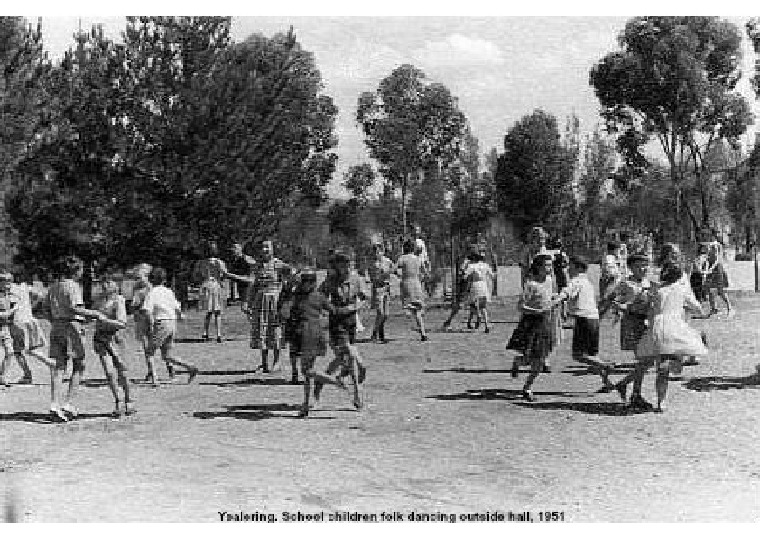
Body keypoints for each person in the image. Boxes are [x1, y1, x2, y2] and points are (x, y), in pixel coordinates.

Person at [635, 262, 708, 412]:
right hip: (674, 325)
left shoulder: (657, 290)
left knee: (661, 369)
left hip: (657, 325)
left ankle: (661, 402)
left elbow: (651, 310)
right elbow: (699, 310)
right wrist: (687, 307)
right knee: (678, 360)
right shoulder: (682, 290)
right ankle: (672, 365)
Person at [43, 256, 105, 422]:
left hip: (56, 327)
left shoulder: (54, 286)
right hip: (71, 327)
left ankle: (54, 403)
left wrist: (56, 320)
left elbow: (45, 310)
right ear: (76, 271)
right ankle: (68, 403)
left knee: (59, 367)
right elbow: (75, 308)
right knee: (79, 365)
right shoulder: (73, 286)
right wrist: (96, 314)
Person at [314, 250, 368, 410]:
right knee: (351, 356)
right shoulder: (330, 281)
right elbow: (319, 297)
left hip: (351, 321)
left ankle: (320, 382)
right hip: (337, 322)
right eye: (343, 263)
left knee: (343, 359)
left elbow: (364, 297)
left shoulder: (356, 279)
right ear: (337, 265)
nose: (347, 266)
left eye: (349, 263)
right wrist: (330, 309)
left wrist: (356, 306)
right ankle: (358, 390)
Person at [284, 269, 341, 417]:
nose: (305, 284)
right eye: (304, 281)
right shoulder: (318, 296)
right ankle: (306, 405)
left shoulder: (297, 297)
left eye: (308, 281)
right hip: (315, 334)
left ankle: (334, 382)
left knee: (307, 371)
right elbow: (333, 310)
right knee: (307, 372)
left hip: (307, 335)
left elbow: (284, 313)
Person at [228, 240, 290, 373]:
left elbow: (290, 279)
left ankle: (277, 362)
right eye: (263, 247)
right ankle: (264, 363)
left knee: (275, 329)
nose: (265, 249)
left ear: (272, 249)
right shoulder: (257, 266)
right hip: (260, 300)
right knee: (262, 329)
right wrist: (246, 302)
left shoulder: (279, 264)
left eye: (267, 247)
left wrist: (285, 298)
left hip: (275, 300)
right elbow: (252, 284)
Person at [604, 253, 655, 409]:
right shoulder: (625, 283)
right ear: (631, 267)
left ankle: (626, 386)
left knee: (646, 360)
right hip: (632, 322)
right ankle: (635, 394)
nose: (643, 268)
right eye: (639, 265)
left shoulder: (649, 282)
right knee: (644, 359)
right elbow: (610, 298)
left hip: (647, 322)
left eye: (646, 265)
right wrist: (623, 307)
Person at [557, 256, 614, 391]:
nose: (567, 269)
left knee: (578, 355)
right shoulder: (588, 282)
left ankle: (606, 366)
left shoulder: (576, 281)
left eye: (570, 266)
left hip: (583, 320)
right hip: (594, 319)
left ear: (577, 267)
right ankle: (607, 383)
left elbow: (565, 294)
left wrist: (554, 300)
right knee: (592, 356)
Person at [507, 254, 559, 401]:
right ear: (538, 267)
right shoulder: (531, 285)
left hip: (546, 323)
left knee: (540, 360)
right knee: (535, 359)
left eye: (551, 265)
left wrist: (556, 299)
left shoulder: (550, 280)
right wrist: (536, 311)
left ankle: (527, 387)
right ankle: (519, 362)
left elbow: (550, 296)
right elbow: (520, 306)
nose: (550, 268)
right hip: (532, 324)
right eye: (546, 265)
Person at [141, 267, 198, 386]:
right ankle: (190, 367)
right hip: (172, 322)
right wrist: (180, 315)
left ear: (151, 280)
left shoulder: (152, 293)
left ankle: (154, 379)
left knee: (149, 352)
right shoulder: (168, 291)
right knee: (167, 355)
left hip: (161, 323)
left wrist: (150, 324)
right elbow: (177, 306)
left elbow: (147, 310)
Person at [93, 273, 133, 417]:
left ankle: (129, 399)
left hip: (116, 338)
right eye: (103, 282)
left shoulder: (119, 301)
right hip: (100, 339)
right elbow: (93, 316)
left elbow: (122, 323)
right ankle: (118, 401)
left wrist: (102, 319)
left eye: (108, 282)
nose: (105, 285)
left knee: (122, 370)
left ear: (116, 285)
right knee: (109, 372)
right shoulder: (98, 300)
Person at [7, 268, 52, 388]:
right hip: (29, 320)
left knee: (18, 351)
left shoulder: (10, 289)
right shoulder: (25, 286)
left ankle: (31, 373)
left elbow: (10, 306)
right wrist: (31, 306)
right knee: (29, 349)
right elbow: (41, 295)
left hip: (17, 321)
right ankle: (31, 373)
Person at [195, 241, 228, 343]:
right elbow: (224, 273)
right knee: (217, 312)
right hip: (216, 286)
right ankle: (218, 334)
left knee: (209, 312)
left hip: (206, 285)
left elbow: (197, 275)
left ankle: (205, 333)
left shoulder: (201, 263)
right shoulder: (219, 262)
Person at [396, 239, 428, 342]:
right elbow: (425, 272)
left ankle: (408, 311)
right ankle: (423, 333)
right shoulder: (417, 259)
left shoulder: (402, 258)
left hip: (407, 283)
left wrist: (399, 274)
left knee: (409, 305)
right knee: (418, 310)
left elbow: (395, 269)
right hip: (417, 283)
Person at [367, 242, 394, 343]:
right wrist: (379, 277)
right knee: (380, 313)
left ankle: (381, 333)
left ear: (383, 252)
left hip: (386, 288)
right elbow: (371, 277)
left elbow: (394, 269)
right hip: (378, 289)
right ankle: (374, 334)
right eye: (375, 252)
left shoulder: (388, 261)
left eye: (379, 252)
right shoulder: (372, 264)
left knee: (386, 314)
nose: (377, 254)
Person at [465, 249, 494, 333]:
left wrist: (464, 272)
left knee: (473, 304)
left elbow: (465, 275)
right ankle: (486, 325)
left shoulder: (472, 266)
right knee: (483, 306)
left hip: (475, 285)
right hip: (484, 285)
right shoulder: (486, 265)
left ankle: (478, 315)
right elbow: (492, 275)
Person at [0, 273, 22, 387]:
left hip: (5, 328)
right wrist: (13, 310)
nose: (8, 284)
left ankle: (2, 377)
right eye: (5, 281)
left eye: (10, 281)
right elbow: (3, 314)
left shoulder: (9, 296)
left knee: (10, 352)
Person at [441, 252, 471, 331]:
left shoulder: (469, 262)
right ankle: (449, 322)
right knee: (459, 305)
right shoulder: (466, 261)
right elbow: (462, 272)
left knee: (473, 305)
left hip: (468, 285)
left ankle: (470, 322)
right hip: (464, 285)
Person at [703, 242, 732, 318]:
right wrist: (706, 272)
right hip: (712, 272)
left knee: (721, 291)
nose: (710, 249)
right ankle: (714, 309)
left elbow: (716, 263)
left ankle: (730, 308)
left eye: (712, 248)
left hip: (718, 272)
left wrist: (710, 269)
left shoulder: (716, 256)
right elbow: (706, 263)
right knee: (710, 291)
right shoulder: (708, 256)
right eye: (710, 248)